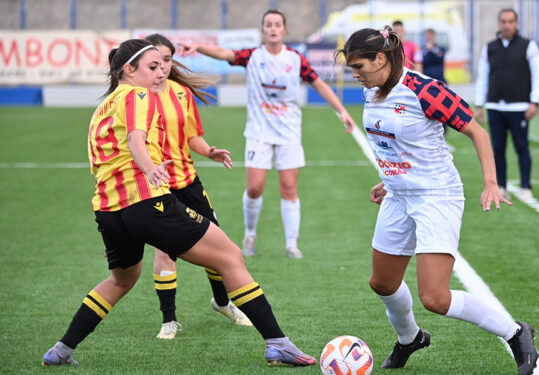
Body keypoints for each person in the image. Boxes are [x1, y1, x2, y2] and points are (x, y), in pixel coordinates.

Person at [41, 38, 316, 367]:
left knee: (121, 279)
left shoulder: (103, 107)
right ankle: (277, 343)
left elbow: (107, 158)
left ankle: (61, 351)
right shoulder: (136, 94)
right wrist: (150, 169)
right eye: (152, 67)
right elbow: (135, 138)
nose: (160, 74)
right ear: (129, 71)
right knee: (229, 255)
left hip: (109, 210)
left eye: (162, 66)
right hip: (146, 201)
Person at [338, 26, 539, 375]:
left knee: (435, 298)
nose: (355, 75)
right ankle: (410, 338)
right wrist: (389, 179)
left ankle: (516, 333)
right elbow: (396, 141)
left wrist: (491, 182)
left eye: (359, 66)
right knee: (382, 283)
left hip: (436, 196)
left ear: (381, 59)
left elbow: (477, 131)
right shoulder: (373, 90)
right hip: (398, 194)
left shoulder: (425, 90)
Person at [181, 10, 355, 259]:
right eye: (268, 25)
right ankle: (250, 234)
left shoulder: (295, 59)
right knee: (254, 188)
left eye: (277, 25)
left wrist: (341, 111)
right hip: (259, 132)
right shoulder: (253, 56)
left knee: (289, 187)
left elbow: (318, 83)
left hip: (289, 133)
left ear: (285, 29)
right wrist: (197, 46)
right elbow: (224, 54)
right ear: (263, 29)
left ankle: (292, 244)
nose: (273, 28)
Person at [144, 33, 251, 340]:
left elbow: (192, 136)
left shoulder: (181, 93)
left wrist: (209, 151)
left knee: (216, 246)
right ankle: (169, 320)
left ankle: (222, 302)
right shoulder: (137, 98)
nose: (162, 67)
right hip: (158, 186)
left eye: (167, 60)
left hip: (189, 182)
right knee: (164, 251)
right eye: (156, 61)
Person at [475, 8, 539, 201]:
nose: (507, 25)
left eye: (511, 21)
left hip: (519, 107)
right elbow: (483, 77)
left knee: (522, 147)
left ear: (517, 23)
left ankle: (526, 186)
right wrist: (480, 104)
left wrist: (534, 101)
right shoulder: (489, 48)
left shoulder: (528, 46)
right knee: (497, 148)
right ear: (499, 24)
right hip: (496, 107)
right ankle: (502, 186)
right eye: (504, 21)